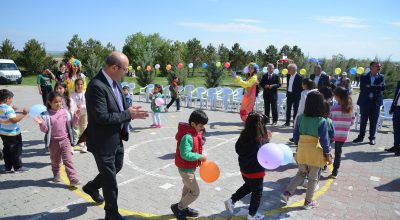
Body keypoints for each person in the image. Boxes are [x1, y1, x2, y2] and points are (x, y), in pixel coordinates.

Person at [82, 51, 149, 220]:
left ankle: (91, 187)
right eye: (125, 69)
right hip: (102, 140)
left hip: (116, 137)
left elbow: (120, 105)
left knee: (116, 167)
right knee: (110, 180)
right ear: (114, 67)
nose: (126, 72)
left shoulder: (115, 82)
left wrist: (130, 110)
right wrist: (128, 114)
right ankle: (111, 213)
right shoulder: (96, 86)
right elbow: (102, 117)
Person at [280, 91, 332, 209]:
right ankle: (308, 202)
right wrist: (327, 153)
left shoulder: (299, 118)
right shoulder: (322, 121)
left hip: (302, 151)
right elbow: (324, 140)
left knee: (301, 173)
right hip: (315, 152)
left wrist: (300, 146)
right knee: (313, 178)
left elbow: (295, 137)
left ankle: (287, 193)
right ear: (320, 105)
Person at [224, 112, 271, 220]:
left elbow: (237, 149)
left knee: (249, 186)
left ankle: (231, 200)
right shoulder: (260, 140)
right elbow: (266, 152)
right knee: (257, 192)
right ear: (260, 125)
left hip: (244, 169)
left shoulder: (243, 135)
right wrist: (268, 139)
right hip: (256, 171)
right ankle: (252, 215)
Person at [34, 92, 81, 185]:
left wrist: (76, 116)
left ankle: (72, 178)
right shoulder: (46, 115)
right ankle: (56, 174)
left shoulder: (65, 112)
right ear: (49, 102)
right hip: (53, 142)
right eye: (56, 102)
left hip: (65, 140)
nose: (58, 104)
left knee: (68, 160)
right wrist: (41, 123)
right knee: (55, 161)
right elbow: (45, 130)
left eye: (60, 102)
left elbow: (71, 125)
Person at [171, 109, 208, 220]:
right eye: (201, 126)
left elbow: (198, 140)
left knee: (188, 188)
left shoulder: (194, 132)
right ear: (193, 124)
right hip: (185, 169)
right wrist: (199, 156)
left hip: (189, 168)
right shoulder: (187, 136)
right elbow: (185, 154)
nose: (202, 128)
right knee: (195, 192)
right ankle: (179, 208)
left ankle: (183, 206)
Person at [353, 61, 385, 145]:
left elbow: (382, 87)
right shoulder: (363, 76)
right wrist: (376, 87)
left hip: (376, 103)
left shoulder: (381, 77)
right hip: (365, 102)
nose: (378, 68)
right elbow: (363, 88)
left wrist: (370, 86)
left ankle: (372, 138)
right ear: (371, 67)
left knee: (373, 121)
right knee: (363, 120)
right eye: (376, 66)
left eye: (379, 66)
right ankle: (360, 137)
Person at [0, 89, 29, 173]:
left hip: (3, 133)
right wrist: (23, 114)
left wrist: (12, 109)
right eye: (11, 99)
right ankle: (18, 166)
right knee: (16, 149)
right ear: (7, 99)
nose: (11, 101)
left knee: (7, 149)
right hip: (12, 133)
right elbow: (14, 120)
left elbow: (5, 115)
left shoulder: (2, 107)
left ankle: (7, 166)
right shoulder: (7, 108)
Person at [330, 87, 355, 178]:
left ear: (338, 96)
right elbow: (352, 121)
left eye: (335, 95)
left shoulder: (334, 107)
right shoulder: (350, 108)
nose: (334, 97)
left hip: (333, 133)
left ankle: (324, 165)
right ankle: (335, 171)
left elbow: (330, 120)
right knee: (338, 152)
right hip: (343, 135)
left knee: (327, 148)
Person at [71, 79, 88, 153]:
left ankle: (85, 145)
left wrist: (81, 107)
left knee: (84, 128)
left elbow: (88, 104)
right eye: (78, 84)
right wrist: (75, 108)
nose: (79, 86)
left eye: (81, 84)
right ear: (75, 85)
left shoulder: (85, 93)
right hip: (76, 114)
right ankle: (77, 142)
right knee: (75, 129)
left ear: (83, 85)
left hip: (84, 113)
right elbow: (72, 104)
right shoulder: (73, 94)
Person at [385, 80, 400, 156]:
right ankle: (396, 146)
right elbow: (396, 96)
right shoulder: (399, 82)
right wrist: (392, 108)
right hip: (397, 108)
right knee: (396, 129)